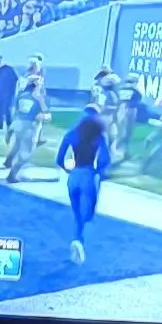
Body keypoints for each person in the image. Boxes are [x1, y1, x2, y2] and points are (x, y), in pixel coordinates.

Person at [55, 104, 110, 265]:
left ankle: (76, 241)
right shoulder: (99, 137)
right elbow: (104, 160)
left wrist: (68, 170)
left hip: (74, 177)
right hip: (89, 176)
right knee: (88, 215)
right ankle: (80, 243)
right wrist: (99, 172)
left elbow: (59, 159)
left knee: (77, 215)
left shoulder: (71, 134)